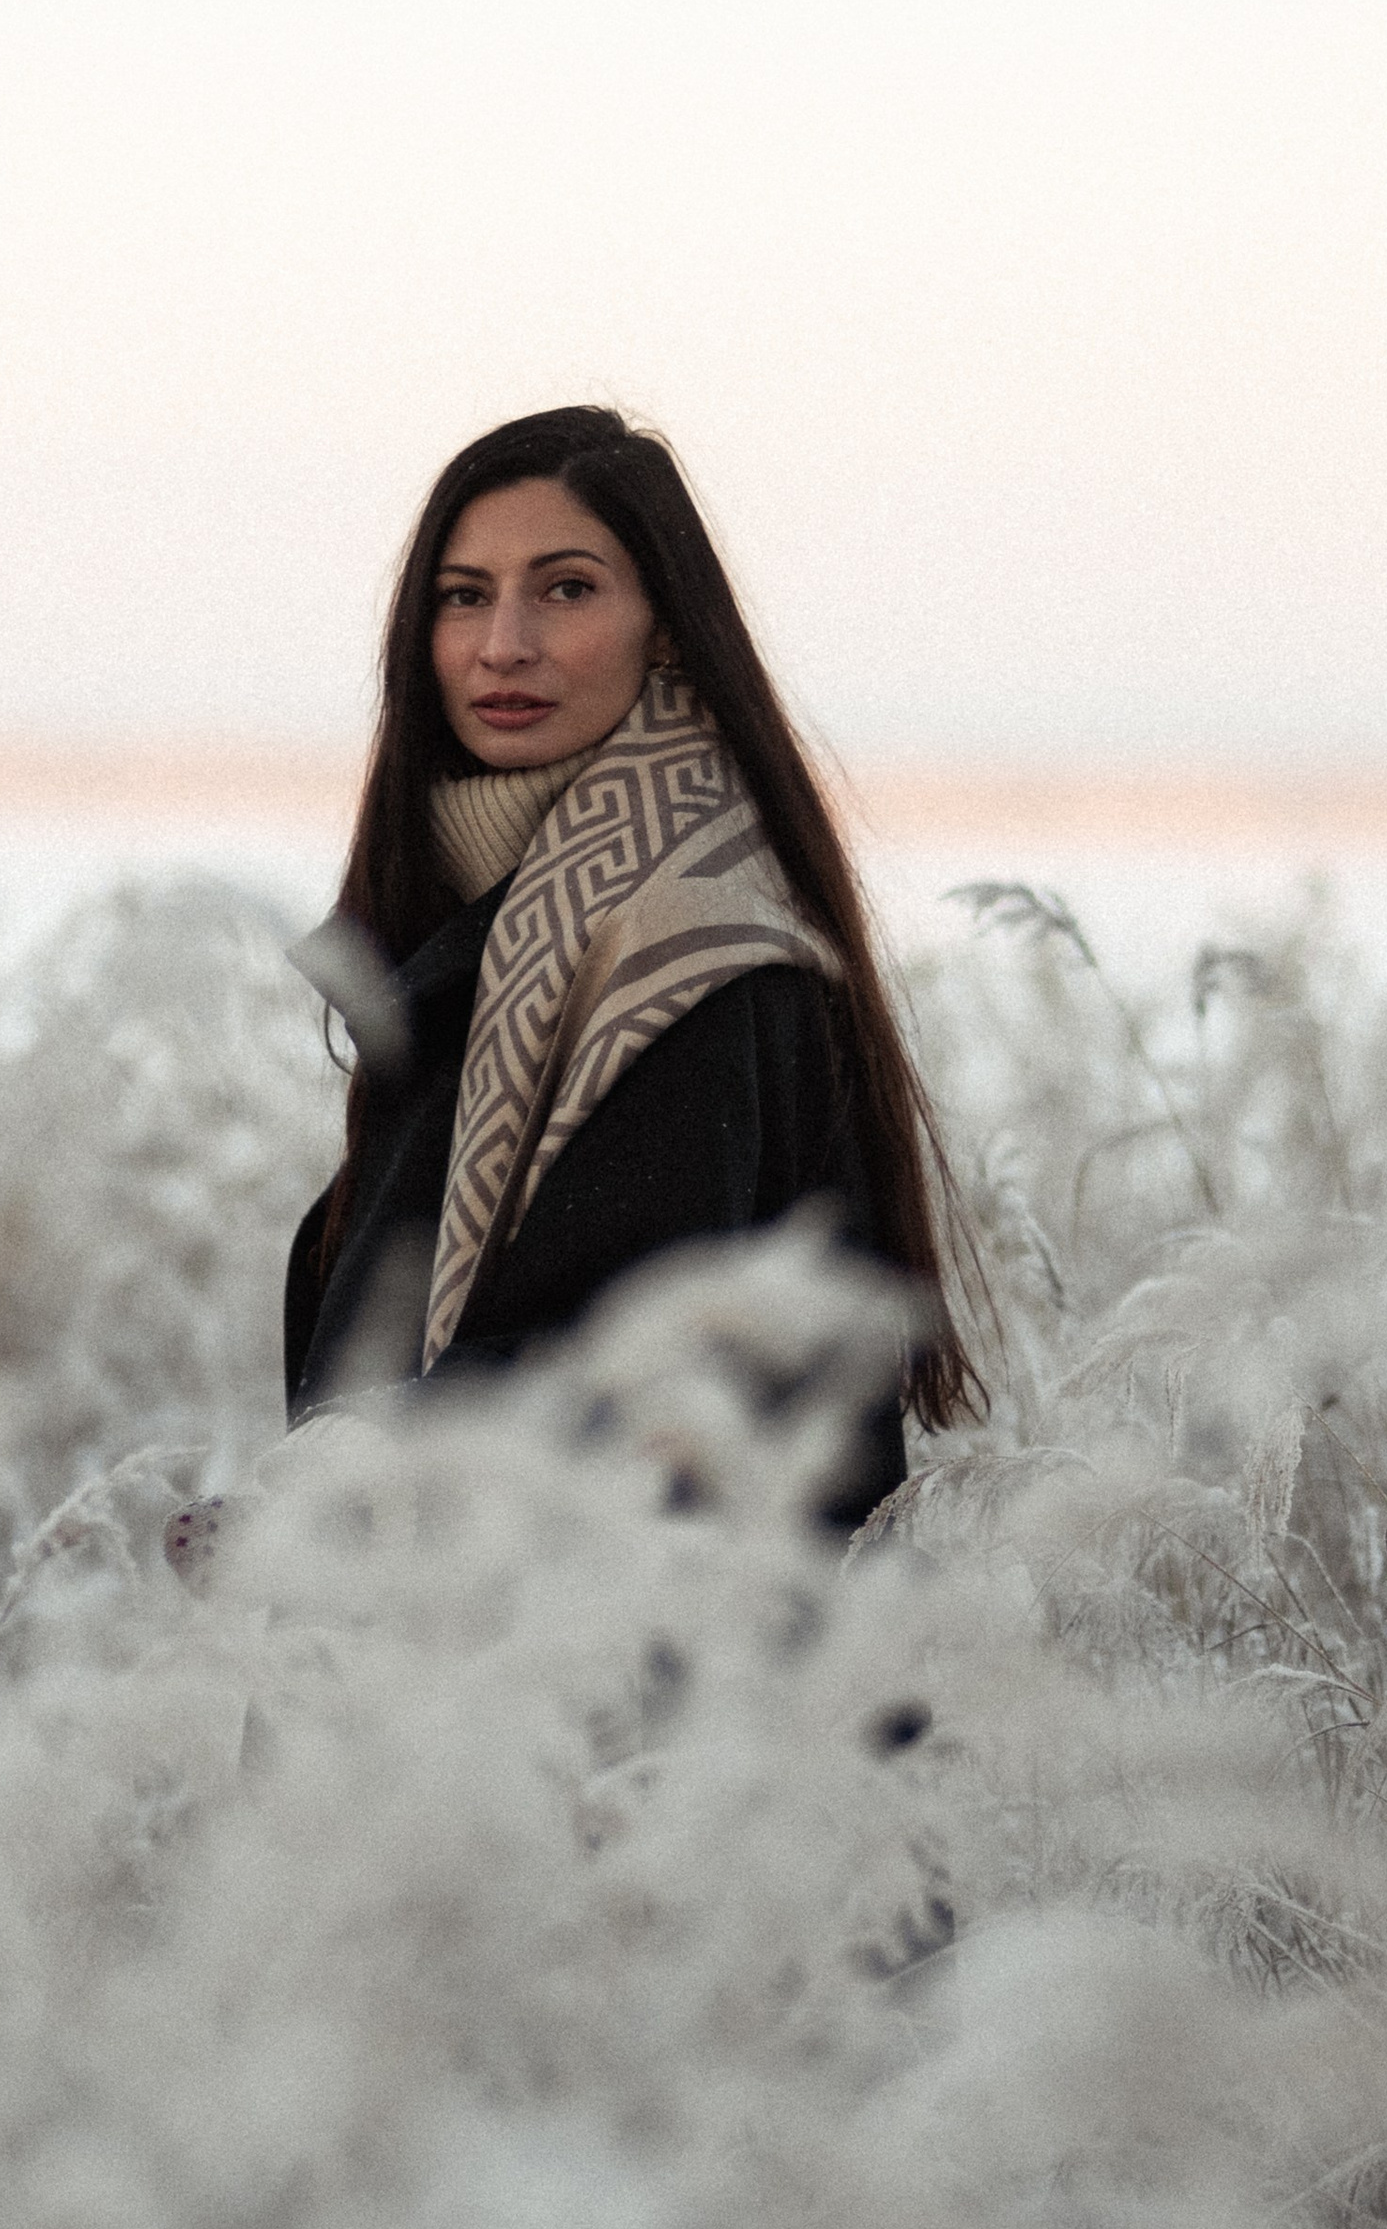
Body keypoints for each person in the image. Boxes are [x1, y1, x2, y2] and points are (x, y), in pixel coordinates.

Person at [280, 406, 976, 1529]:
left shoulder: (691, 947)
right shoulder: (492, 928)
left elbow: (634, 1357)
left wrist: (330, 1484)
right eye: (463, 595)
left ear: (667, 629)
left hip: (645, 1627)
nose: (504, 643)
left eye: (566, 589)